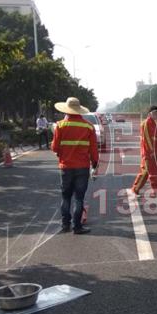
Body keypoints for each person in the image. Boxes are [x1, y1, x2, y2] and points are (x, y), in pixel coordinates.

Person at [51, 97, 99, 234]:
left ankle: (65, 224)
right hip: (82, 168)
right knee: (79, 198)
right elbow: (93, 150)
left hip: (65, 167)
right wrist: (94, 165)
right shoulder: (88, 127)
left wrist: (61, 152)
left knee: (66, 197)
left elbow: (54, 148)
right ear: (79, 110)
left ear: (66, 110)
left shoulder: (60, 126)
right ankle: (77, 227)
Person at [131, 106, 157, 196]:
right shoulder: (146, 123)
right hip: (148, 154)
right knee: (145, 172)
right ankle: (135, 189)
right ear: (150, 114)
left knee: (156, 172)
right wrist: (151, 152)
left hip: (155, 153)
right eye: (155, 113)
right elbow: (146, 140)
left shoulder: (154, 124)